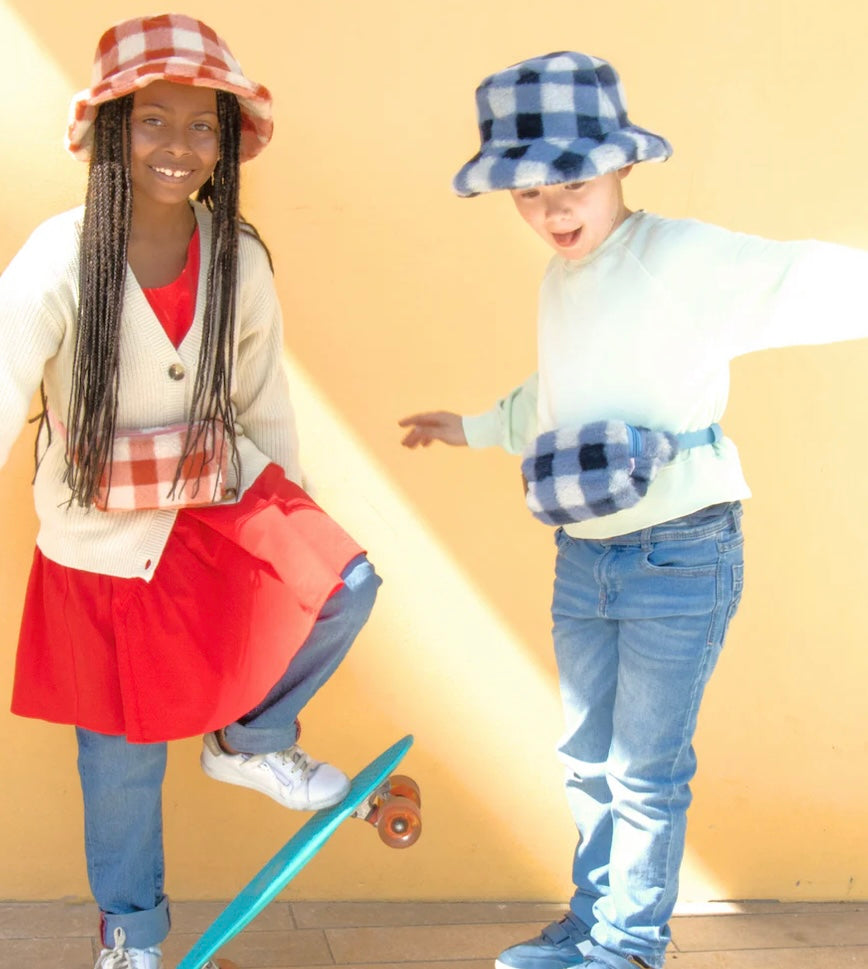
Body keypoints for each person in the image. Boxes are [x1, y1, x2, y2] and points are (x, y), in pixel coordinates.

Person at [399, 51, 868, 969]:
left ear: (621, 165)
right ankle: (590, 917)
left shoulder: (681, 258)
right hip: (586, 553)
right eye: (527, 194)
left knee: (643, 768)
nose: (552, 209)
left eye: (571, 180)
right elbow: (558, 392)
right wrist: (474, 426)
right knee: (585, 757)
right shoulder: (561, 281)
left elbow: (802, 277)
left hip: (679, 553)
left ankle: (629, 942)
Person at [0, 13, 380, 969]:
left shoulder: (239, 257)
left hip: (217, 495)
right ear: (111, 130)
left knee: (347, 583)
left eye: (202, 124)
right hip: (100, 534)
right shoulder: (59, 253)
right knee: (121, 762)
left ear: (227, 138)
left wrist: (295, 533)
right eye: (153, 120)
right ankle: (133, 936)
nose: (180, 146)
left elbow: (263, 403)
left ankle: (248, 739)